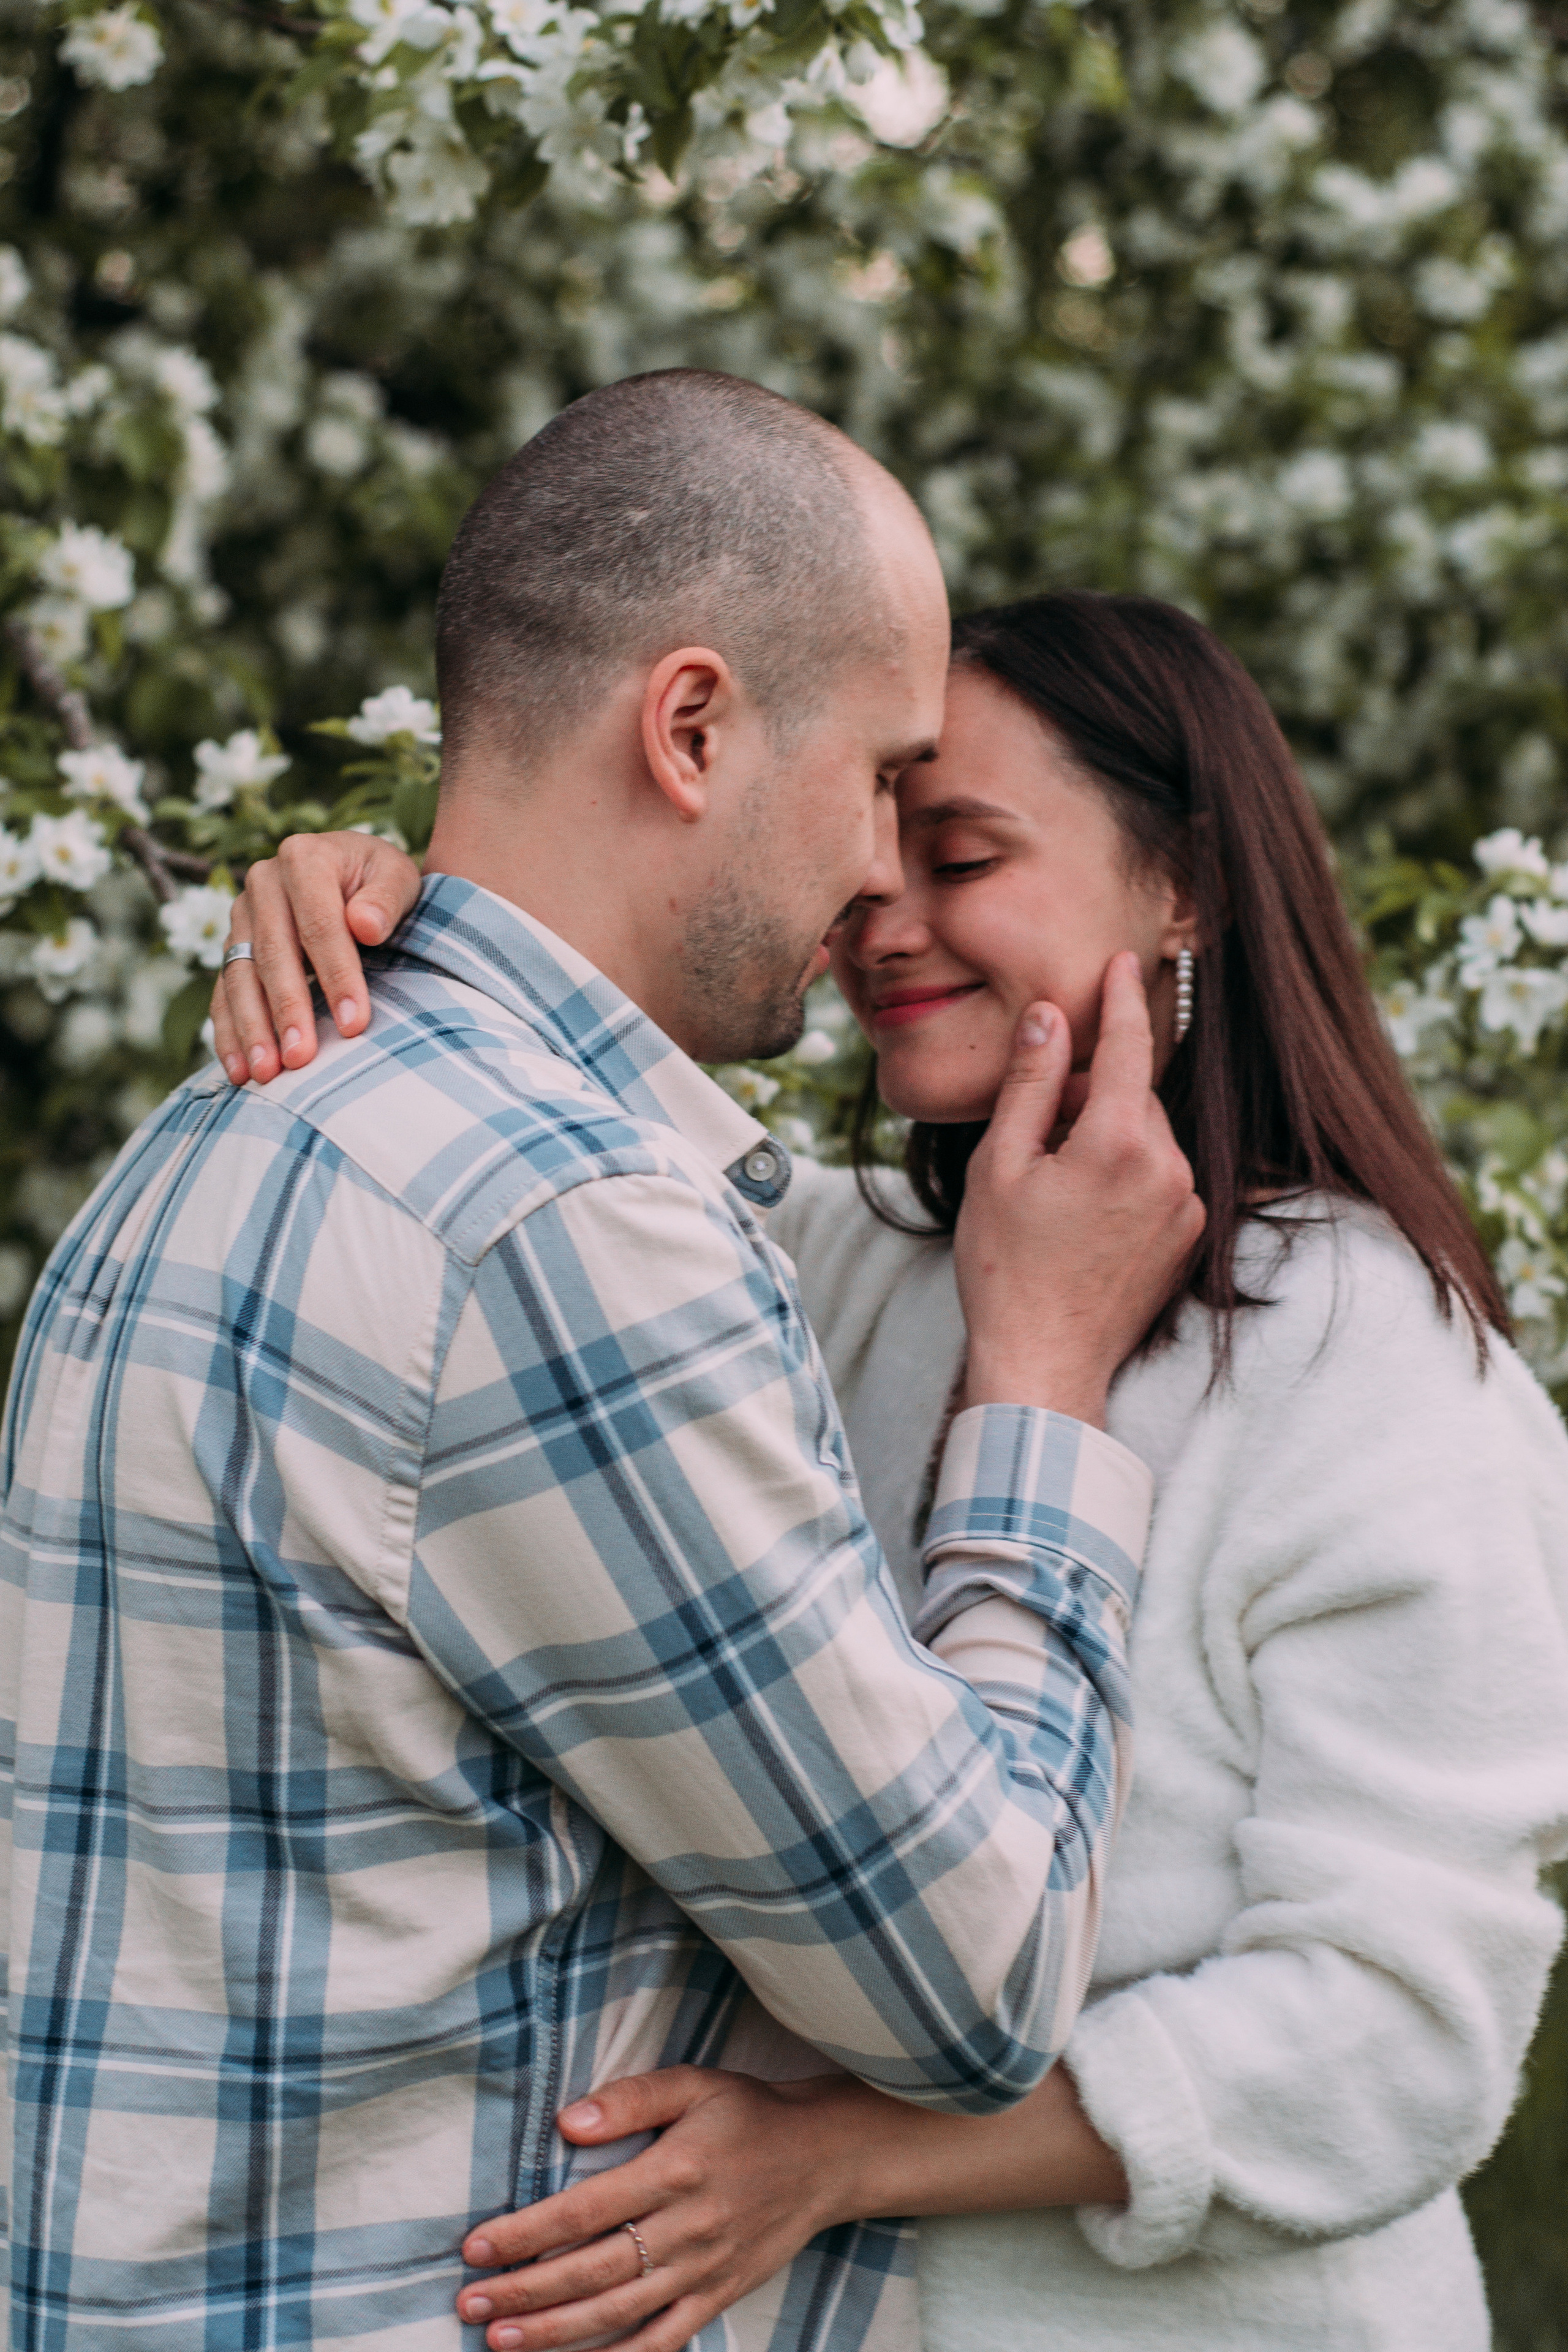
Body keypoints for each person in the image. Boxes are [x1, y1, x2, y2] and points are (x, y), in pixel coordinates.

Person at [0, 379, 1204, 2352]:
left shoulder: (225, 1119)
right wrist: (1045, 1390)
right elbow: (973, 1989)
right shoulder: (558, 1230)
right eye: (883, 775)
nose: (885, 877)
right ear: (696, 726)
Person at [230, 590, 1568, 2352]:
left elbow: (1402, 2038)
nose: (884, 914)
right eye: (875, 845)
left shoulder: (1383, 1367)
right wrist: (374, 906)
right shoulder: (822, 1272)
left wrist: (842, 2157)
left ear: (1185, 885)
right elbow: (555, 1159)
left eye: (963, 852)